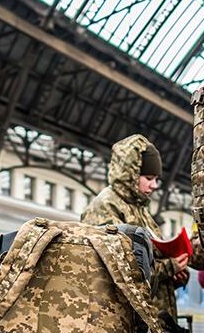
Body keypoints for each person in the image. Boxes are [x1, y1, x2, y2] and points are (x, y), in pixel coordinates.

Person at [81, 135, 188, 322]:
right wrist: (169, 268)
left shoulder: (139, 209)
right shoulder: (106, 206)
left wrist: (174, 277)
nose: (154, 185)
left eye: (156, 179)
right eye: (148, 178)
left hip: (151, 319)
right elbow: (116, 269)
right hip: (125, 321)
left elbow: (150, 263)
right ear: (130, 173)